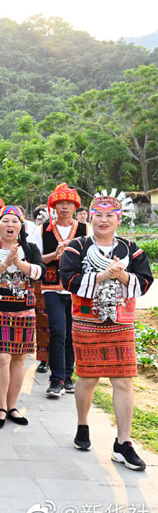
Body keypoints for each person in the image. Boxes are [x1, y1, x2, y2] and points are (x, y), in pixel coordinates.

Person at [61, 190, 152, 470]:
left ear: (118, 218)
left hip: (121, 322)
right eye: (98, 214)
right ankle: (82, 424)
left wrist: (122, 274)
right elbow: (68, 280)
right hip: (87, 321)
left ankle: (123, 443)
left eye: (109, 215)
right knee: (88, 378)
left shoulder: (132, 249)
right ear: (90, 217)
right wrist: (102, 275)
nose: (103, 219)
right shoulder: (76, 247)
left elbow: (145, 281)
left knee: (123, 380)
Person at [0, 206, 43, 428]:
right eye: (5, 221)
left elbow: (37, 273)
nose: (10, 225)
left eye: (15, 221)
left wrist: (18, 262)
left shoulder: (31, 248)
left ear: (21, 226)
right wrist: (5, 263)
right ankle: (1, 406)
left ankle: (13, 406)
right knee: (1, 357)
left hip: (24, 308)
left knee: (19, 358)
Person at [31, 183, 89, 398]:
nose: (64, 207)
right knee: (57, 331)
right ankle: (56, 380)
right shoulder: (42, 230)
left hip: (76, 288)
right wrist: (54, 256)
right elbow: (34, 259)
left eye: (69, 203)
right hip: (51, 287)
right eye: (60, 203)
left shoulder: (85, 230)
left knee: (72, 333)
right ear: (54, 206)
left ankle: (68, 375)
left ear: (75, 207)